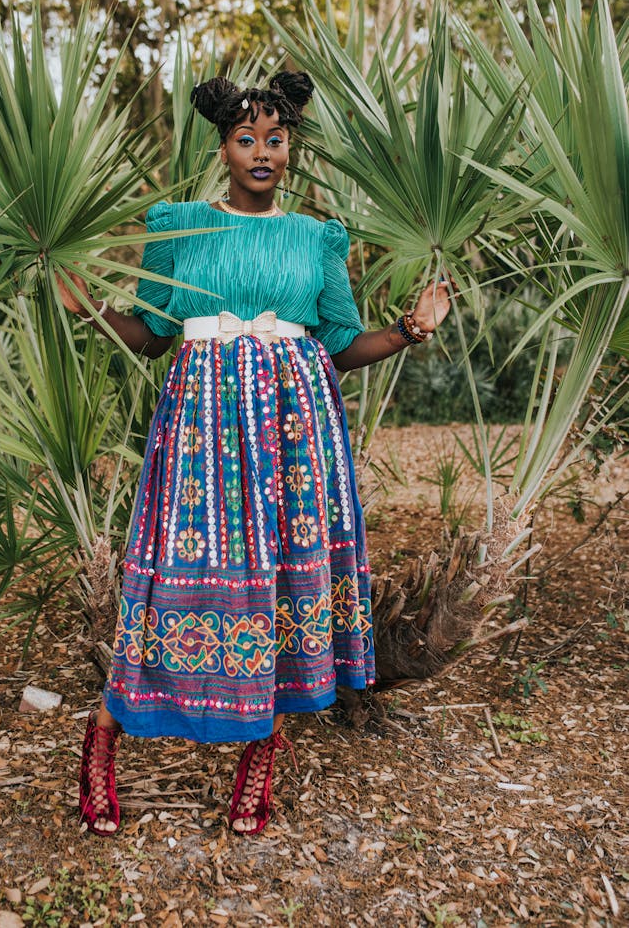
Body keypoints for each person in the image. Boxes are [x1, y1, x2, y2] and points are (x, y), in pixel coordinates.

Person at [57, 71, 454, 836]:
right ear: (225, 148)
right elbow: (151, 333)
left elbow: (338, 345)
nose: (262, 152)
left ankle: (261, 756)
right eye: (247, 139)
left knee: (275, 588)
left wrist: (409, 330)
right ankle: (102, 740)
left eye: (276, 139)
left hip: (296, 435)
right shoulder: (177, 226)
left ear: (290, 149)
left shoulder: (316, 238)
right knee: (176, 580)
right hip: (201, 432)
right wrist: (93, 312)